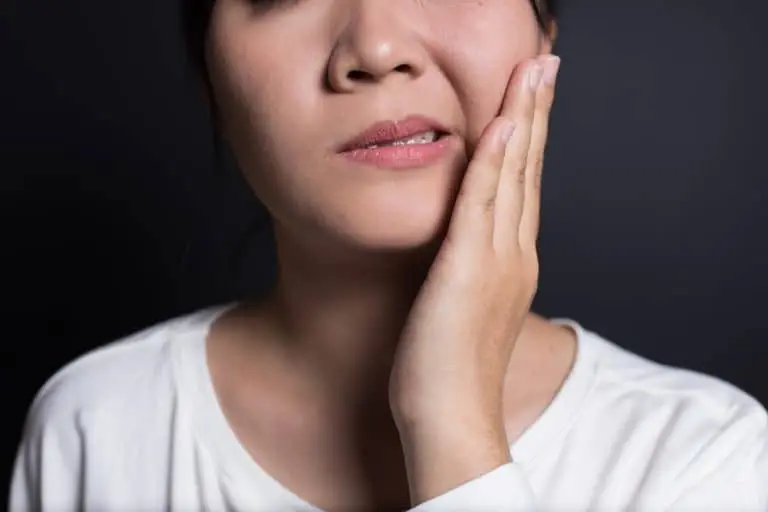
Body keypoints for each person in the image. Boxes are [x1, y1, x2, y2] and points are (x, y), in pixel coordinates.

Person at [9, 0, 768, 510]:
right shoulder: (98, 431)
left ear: (544, 37)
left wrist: (453, 427)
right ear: (211, 77)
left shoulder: (706, 460)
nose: (375, 49)